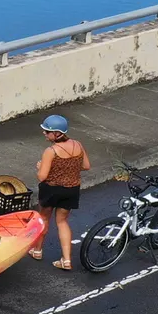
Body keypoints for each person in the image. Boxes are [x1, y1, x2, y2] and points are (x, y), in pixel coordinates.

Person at [34, 114, 89, 270]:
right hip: (71, 190)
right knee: (62, 222)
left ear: (57, 133)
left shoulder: (51, 151)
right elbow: (86, 166)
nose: (44, 133)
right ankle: (66, 260)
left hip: (51, 190)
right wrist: (69, 168)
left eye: (47, 131)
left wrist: (40, 167)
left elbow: (42, 176)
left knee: (44, 219)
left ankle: (37, 251)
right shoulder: (78, 145)